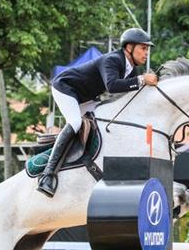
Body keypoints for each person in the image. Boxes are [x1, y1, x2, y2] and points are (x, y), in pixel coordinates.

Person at [39, 27, 158, 197]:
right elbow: (112, 86)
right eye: (143, 48)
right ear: (129, 47)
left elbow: (131, 93)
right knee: (75, 122)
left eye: (147, 49)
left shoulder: (131, 68)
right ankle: (48, 174)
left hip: (86, 97)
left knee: (102, 123)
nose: (146, 53)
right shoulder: (112, 60)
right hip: (65, 87)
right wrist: (141, 80)